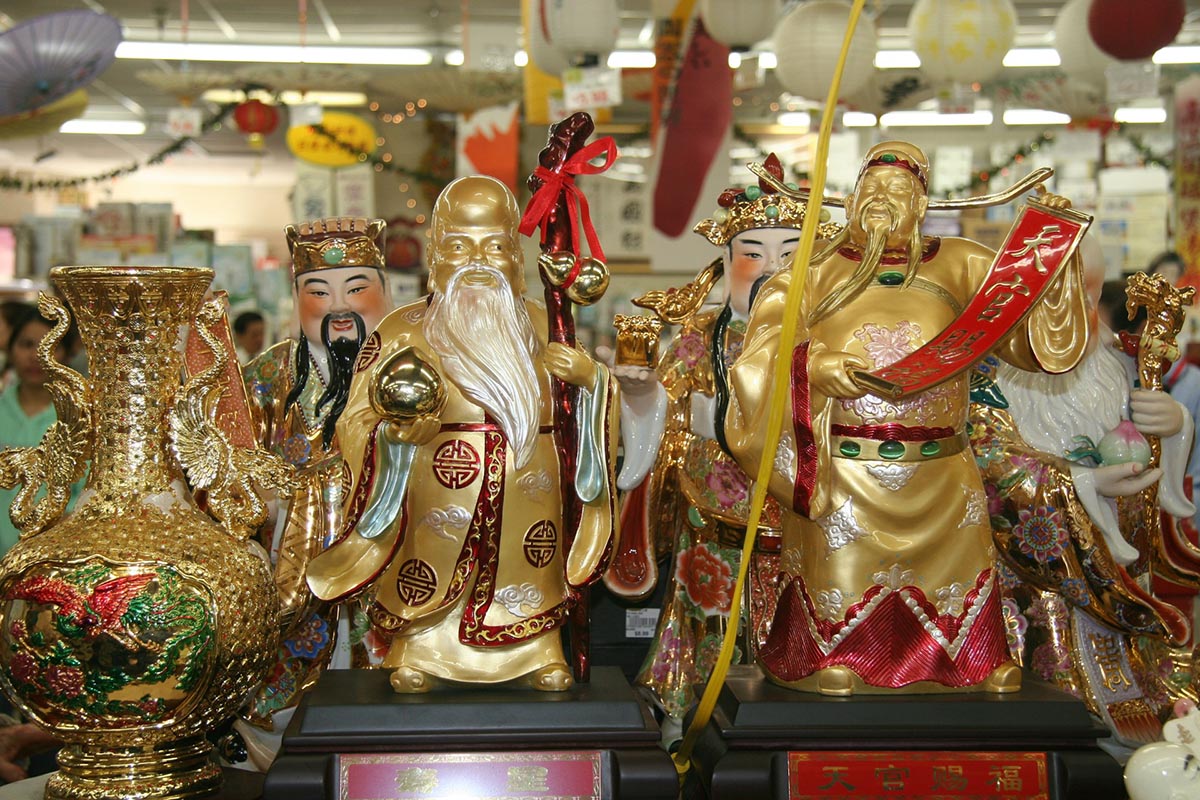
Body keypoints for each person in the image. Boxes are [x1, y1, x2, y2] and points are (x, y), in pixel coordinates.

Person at [724, 141, 1090, 696]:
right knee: (841, 572)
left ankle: (970, 659)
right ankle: (833, 652)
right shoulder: (812, 269)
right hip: (847, 468)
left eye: (898, 189)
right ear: (851, 199)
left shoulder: (963, 263)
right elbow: (761, 349)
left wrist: (1052, 260)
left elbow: (1029, 343)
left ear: (922, 204)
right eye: (870, 188)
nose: (881, 199)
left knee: (959, 569)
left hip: (942, 468)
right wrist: (814, 367)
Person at [306, 176, 620, 692]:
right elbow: (353, 420)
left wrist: (592, 383)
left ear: (516, 257)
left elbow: (585, 407)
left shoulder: (547, 323)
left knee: (530, 571)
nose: (477, 261)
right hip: (434, 492)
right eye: (459, 247)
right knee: (430, 567)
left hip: (529, 494)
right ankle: (420, 647)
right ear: (435, 255)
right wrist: (397, 437)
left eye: (494, 246)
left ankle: (539, 649)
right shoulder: (401, 330)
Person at [606, 154, 838, 727]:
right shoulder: (702, 334)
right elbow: (663, 407)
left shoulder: (835, 337)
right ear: (726, 263)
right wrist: (638, 393)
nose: (772, 269)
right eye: (753, 254)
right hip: (714, 517)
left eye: (791, 255)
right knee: (706, 634)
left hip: (808, 519)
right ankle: (691, 727)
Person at [972, 236, 1200, 746]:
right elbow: (989, 463)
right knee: (1047, 708)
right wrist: (1083, 483)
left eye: (1089, 297)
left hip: (1121, 566)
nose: (1076, 315)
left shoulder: (1117, 360)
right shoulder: (987, 372)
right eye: (1055, 297)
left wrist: (1174, 425)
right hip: (1034, 582)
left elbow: (1146, 441)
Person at [235, 217, 392, 765]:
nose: (338, 307)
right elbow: (233, 469)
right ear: (297, 297)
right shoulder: (266, 376)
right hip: (292, 556)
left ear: (383, 291)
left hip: (388, 545)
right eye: (319, 292)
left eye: (356, 288)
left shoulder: (412, 365)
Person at [0, 305, 83, 556]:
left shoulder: (77, 422)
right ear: (10, 349)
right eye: (27, 344)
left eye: (50, 346)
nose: (36, 355)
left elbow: (85, 497)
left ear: (66, 355)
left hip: (52, 556)